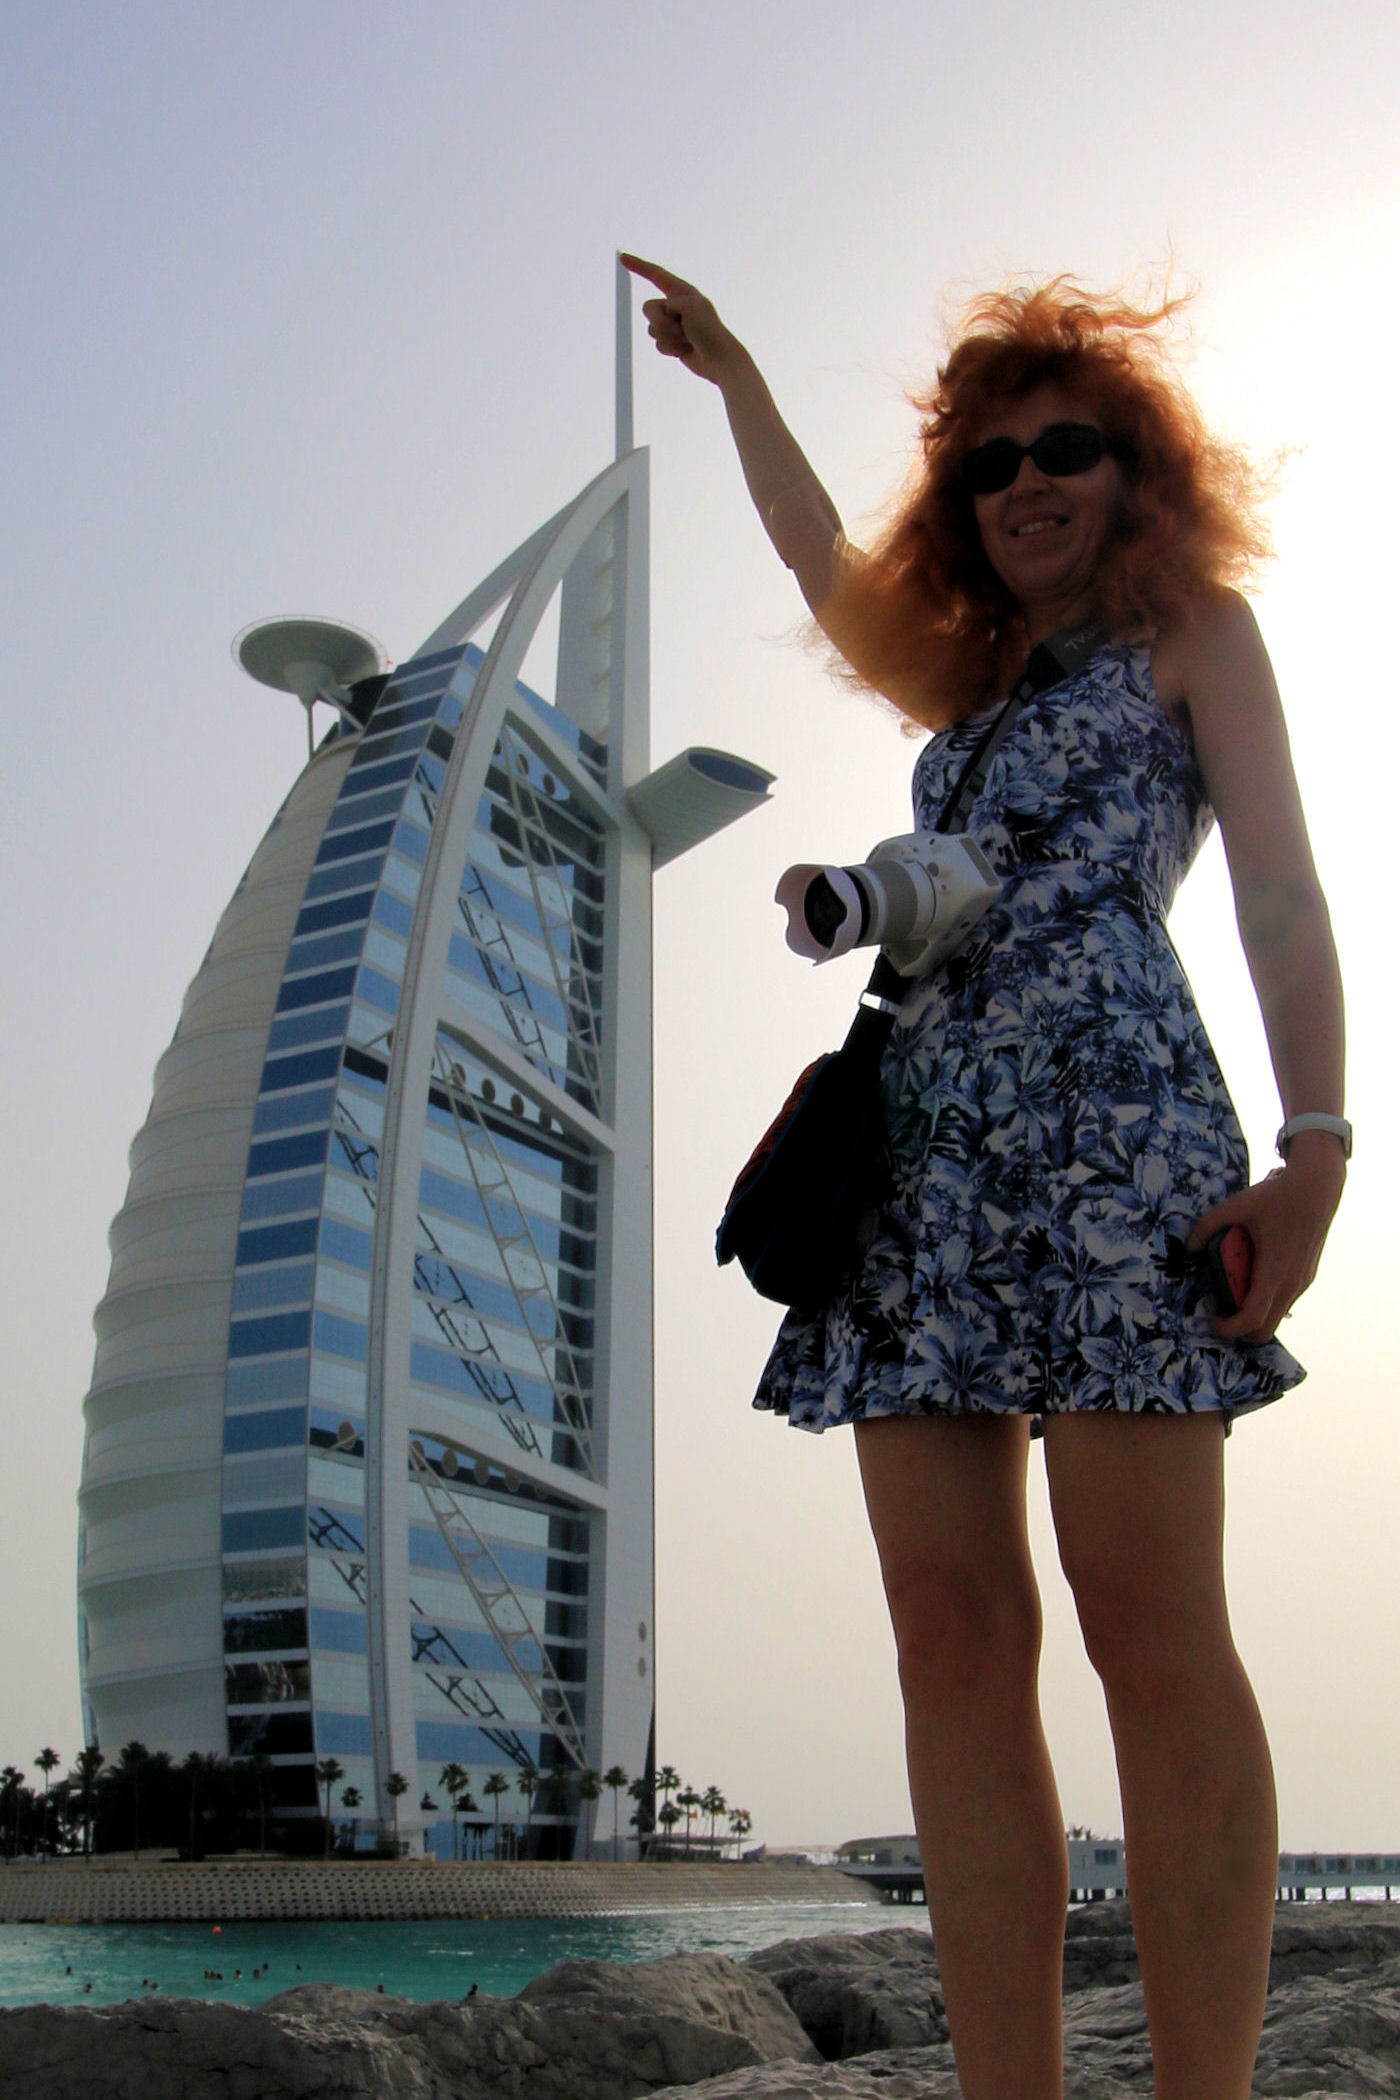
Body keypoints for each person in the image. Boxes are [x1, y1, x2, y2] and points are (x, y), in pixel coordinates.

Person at [623, 255, 1347, 2100]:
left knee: (1147, 1620)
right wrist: (738, 376)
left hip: (1122, 1128)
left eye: (1066, 450)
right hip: (924, 1151)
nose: (1027, 483)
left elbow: (1279, 890)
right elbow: (818, 562)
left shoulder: (1195, 633)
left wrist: (1318, 1150)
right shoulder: (966, 676)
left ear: (1135, 472)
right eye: (992, 462)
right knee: (948, 1634)